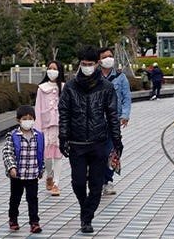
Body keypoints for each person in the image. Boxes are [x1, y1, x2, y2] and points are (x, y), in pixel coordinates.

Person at [59, 47, 123, 235]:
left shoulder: (106, 87)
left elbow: (112, 115)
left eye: (90, 64)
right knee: (78, 183)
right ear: (80, 64)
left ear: (97, 64)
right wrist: (63, 137)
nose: (87, 67)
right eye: (84, 64)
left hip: (98, 142)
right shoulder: (70, 87)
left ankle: (87, 218)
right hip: (77, 143)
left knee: (96, 186)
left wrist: (117, 141)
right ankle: (84, 207)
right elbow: (64, 113)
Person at [2, 105, 45, 233]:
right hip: (17, 175)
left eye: (30, 118)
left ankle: (34, 222)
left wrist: (41, 169)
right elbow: (7, 152)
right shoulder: (13, 135)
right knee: (15, 198)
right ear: (18, 120)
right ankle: (13, 218)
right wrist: (11, 167)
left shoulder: (39, 135)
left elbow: (41, 154)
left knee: (33, 198)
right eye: (24, 119)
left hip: (32, 174)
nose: (28, 121)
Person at [97, 47, 131, 195]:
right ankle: (97, 179)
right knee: (98, 152)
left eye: (110, 56)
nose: (108, 59)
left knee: (111, 150)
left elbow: (126, 98)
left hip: (114, 120)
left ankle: (108, 180)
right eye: (105, 56)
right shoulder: (94, 77)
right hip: (96, 122)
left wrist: (125, 115)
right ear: (99, 60)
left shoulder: (120, 77)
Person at [33, 60, 65, 197]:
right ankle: (49, 174)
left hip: (59, 125)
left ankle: (56, 183)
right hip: (45, 126)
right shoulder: (42, 88)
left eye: (55, 68)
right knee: (46, 155)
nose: (52, 71)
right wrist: (37, 128)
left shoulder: (64, 87)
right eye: (49, 68)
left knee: (58, 154)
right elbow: (38, 108)